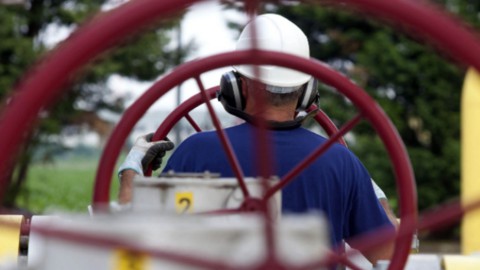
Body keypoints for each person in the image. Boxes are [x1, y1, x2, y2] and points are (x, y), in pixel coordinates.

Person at [117, 14, 395, 265]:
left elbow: (136, 241)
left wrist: (131, 172)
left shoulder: (195, 151)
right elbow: (388, 253)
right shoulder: (340, 162)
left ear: (238, 86)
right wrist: (372, 192)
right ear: (307, 89)